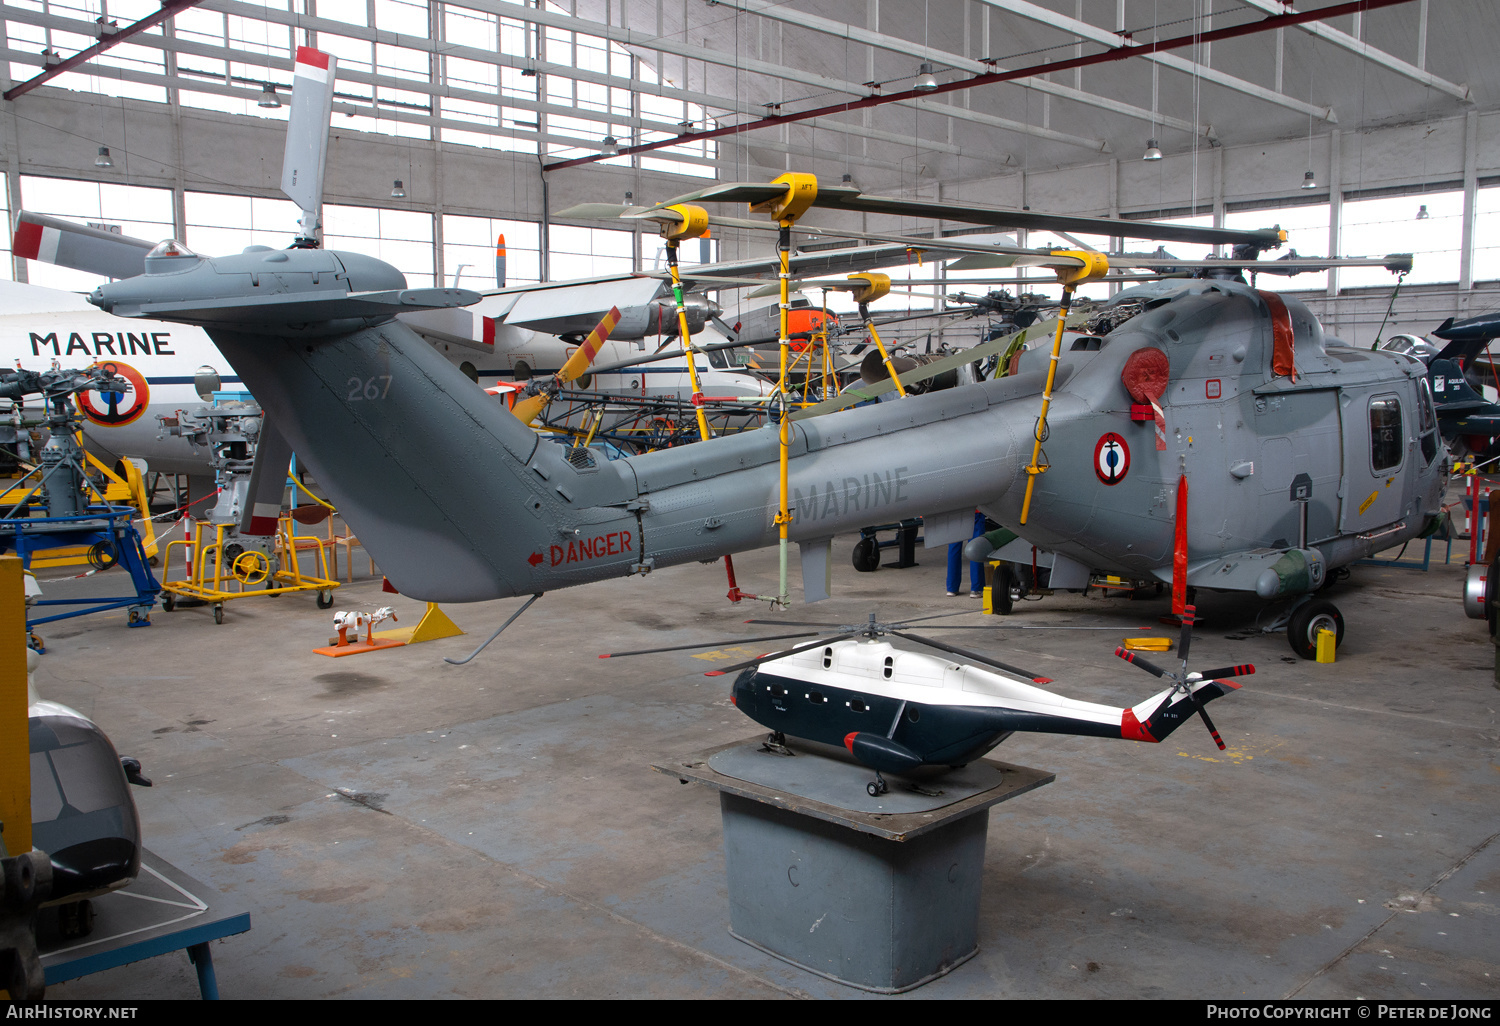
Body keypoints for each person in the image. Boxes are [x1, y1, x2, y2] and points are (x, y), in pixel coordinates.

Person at [946, 509, 988, 596]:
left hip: (955, 512)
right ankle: (977, 588)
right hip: (975, 511)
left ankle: (952, 588)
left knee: (954, 550)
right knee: (976, 549)